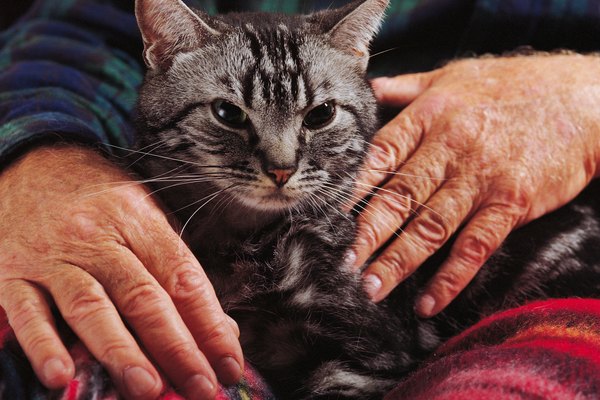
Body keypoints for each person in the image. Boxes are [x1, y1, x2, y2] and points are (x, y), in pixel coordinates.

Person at [0, 0, 599, 399]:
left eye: (317, 117)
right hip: (144, 193)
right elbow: (71, 33)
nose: (281, 166)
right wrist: (36, 155)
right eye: (232, 117)